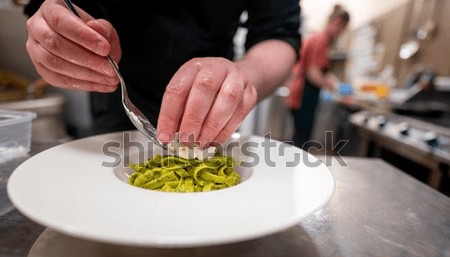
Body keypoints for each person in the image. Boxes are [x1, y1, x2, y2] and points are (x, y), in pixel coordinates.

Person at [23, 0, 301, 147]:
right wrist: (54, 30)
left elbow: (279, 34)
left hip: (215, 105)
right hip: (116, 96)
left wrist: (243, 78)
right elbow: (51, 6)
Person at [284, 5, 350, 148]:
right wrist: (335, 88)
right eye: (342, 28)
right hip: (304, 96)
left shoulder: (316, 38)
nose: (341, 33)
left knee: (298, 139)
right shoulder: (320, 41)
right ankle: (296, 169)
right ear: (337, 22)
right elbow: (313, 74)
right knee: (301, 142)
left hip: (302, 95)